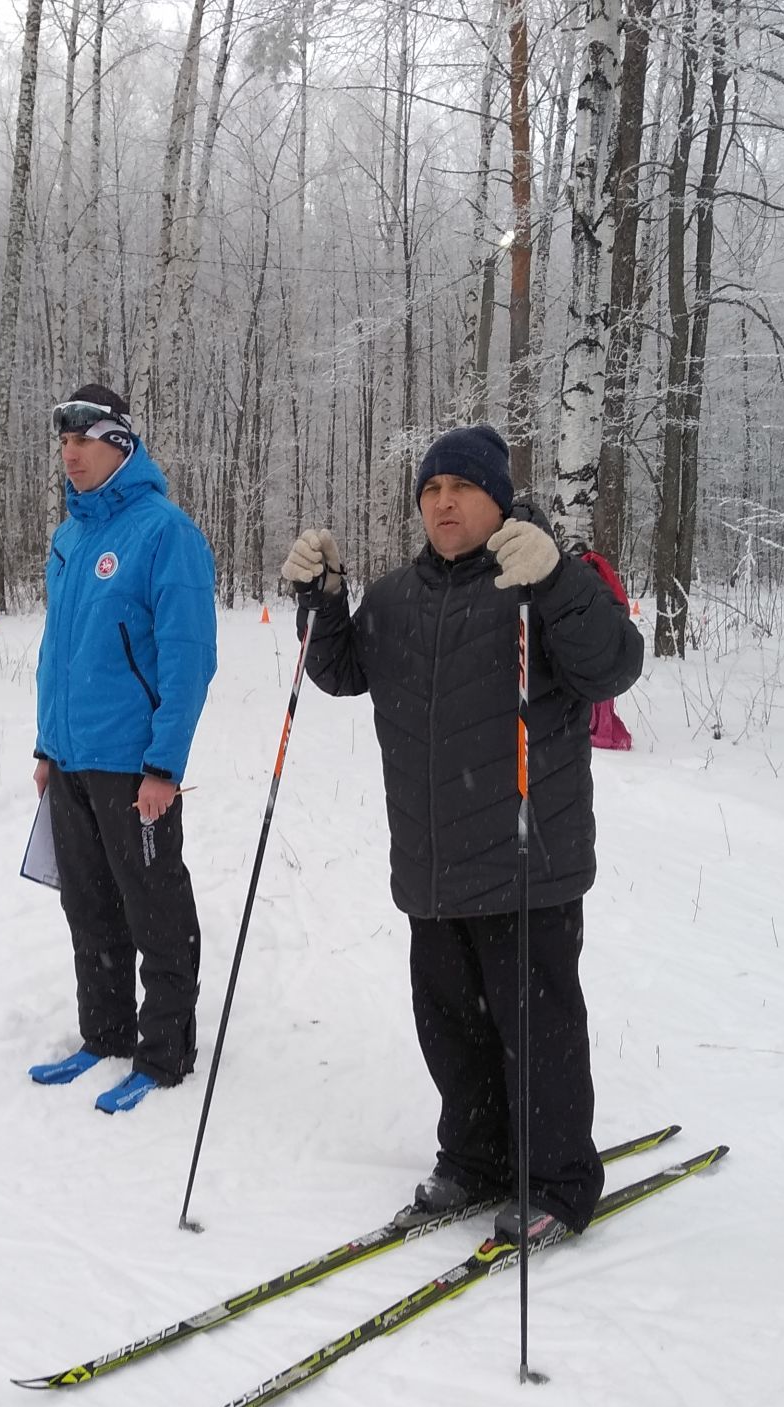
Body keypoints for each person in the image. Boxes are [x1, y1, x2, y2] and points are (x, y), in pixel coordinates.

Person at [279, 423, 643, 1243]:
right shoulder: (399, 598)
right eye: (431, 491)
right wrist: (324, 601)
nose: (444, 503)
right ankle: (475, 1158)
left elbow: (612, 665)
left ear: (497, 500)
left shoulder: (545, 581)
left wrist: (556, 583)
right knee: (452, 1028)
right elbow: (342, 672)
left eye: (462, 489)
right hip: (433, 862)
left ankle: (555, 1178)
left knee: (536, 1033)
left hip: (527, 860)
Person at [30, 385, 218, 1115]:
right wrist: (48, 745)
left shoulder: (164, 533)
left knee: (154, 907)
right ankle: (103, 1034)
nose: (70, 454)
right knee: (88, 904)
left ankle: (164, 1050)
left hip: (135, 767)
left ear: (123, 446)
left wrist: (164, 764)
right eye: (64, 442)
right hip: (73, 761)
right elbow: (58, 652)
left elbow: (188, 658)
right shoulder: (70, 537)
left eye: (85, 440)